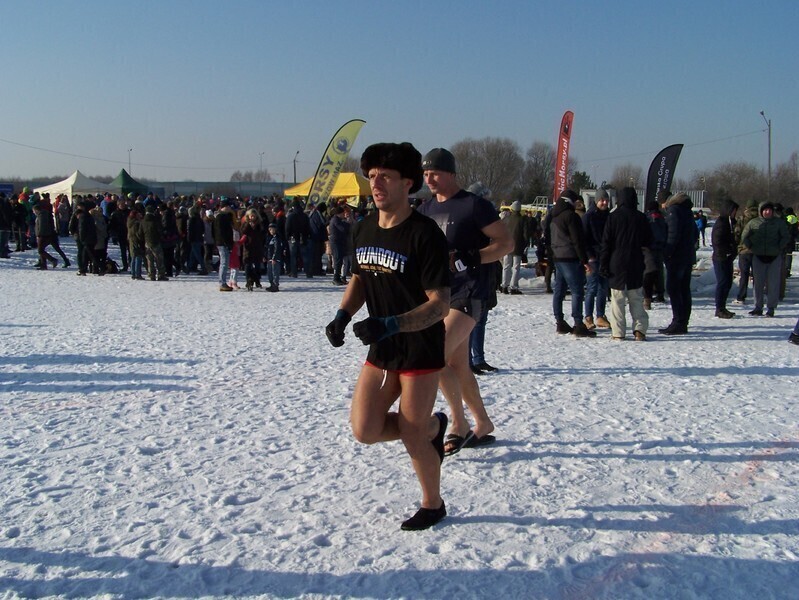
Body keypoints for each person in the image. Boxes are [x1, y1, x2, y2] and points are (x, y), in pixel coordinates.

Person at [325, 142, 451, 531]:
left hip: (419, 348)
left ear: (407, 184)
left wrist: (392, 323)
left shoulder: (424, 234)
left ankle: (433, 503)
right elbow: (361, 277)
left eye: (385, 176)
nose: (375, 183)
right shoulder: (362, 228)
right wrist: (343, 313)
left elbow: (439, 304)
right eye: (371, 175)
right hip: (382, 347)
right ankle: (434, 427)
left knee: (411, 433)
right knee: (365, 429)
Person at [418, 147, 513, 455]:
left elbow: (506, 243)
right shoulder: (425, 209)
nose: (429, 178)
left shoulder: (474, 206)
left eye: (435, 173)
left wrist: (475, 258)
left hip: (470, 293)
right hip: (438, 294)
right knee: (458, 365)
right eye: (425, 173)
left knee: (435, 356)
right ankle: (482, 423)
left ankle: (458, 423)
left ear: (452, 174)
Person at [599, 187, 652, 340]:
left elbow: (606, 244)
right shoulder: (641, 218)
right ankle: (640, 330)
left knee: (617, 299)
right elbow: (648, 241)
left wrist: (603, 264)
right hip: (635, 261)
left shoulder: (612, 217)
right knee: (636, 297)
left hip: (616, 263)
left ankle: (618, 332)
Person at [549, 189, 595, 337]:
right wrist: (584, 260)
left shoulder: (553, 216)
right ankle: (578, 323)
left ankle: (560, 321)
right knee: (577, 291)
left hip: (557, 257)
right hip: (570, 257)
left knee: (559, 290)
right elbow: (577, 240)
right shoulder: (571, 217)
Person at [740, 201, 790, 317]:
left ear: (772, 211)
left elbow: (785, 236)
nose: (767, 212)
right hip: (758, 256)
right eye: (765, 210)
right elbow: (744, 236)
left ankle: (771, 307)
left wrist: (779, 247)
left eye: (769, 210)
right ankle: (758, 307)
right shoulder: (753, 223)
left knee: (773, 284)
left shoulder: (779, 223)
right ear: (761, 211)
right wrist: (751, 246)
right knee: (758, 283)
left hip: (774, 257)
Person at [659, 192, 698, 335]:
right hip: (687, 256)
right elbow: (695, 233)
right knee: (684, 289)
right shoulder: (687, 211)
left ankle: (678, 322)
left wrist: (667, 252)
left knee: (673, 289)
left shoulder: (674, 211)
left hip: (676, 257)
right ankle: (683, 321)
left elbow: (672, 235)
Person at [582, 189, 611, 330]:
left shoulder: (609, 216)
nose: (604, 202)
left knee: (603, 288)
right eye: (602, 200)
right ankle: (588, 317)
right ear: (596, 201)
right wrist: (588, 256)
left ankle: (600, 315)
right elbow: (584, 238)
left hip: (605, 257)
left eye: (606, 200)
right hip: (593, 256)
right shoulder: (589, 216)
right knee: (592, 287)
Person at [711, 198, 740, 318]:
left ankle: (723, 307)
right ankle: (719, 308)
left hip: (728, 258)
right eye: (733, 211)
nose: (735, 213)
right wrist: (726, 251)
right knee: (722, 283)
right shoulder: (722, 223)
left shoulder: (730, 222)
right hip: (721, 257)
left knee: (727, 283)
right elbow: (717, 241)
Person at [642, 198, 667, 309]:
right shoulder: (662, 219)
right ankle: (660, 293)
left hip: (649, 248)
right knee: (659, 272)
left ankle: (647, 295)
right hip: (660, 248)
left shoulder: (648, 219)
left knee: (648, 272)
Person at [733, 199, 759, 304]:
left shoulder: (742, 218)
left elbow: (737, 233)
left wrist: (737, 246)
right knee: (757, 275)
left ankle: (741, 297)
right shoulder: (760, 218)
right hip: (757, 251)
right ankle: (758, 296)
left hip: (744, 251)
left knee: (744, 275)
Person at [500, 200, 526, 295]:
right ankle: (513, 286)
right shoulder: (522, 219)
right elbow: (525, 234)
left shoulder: (507, 219)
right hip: (518, 245)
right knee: (516, 267)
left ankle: (504, 285)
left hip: (507, 245)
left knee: (506, 266)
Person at [213, 200, 235, 291]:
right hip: (223, 243)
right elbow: (221, 232)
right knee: (224, 263)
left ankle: (222, 282)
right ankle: (222, 283)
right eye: (228, 206)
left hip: (222, 242)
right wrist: (226, 242)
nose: (230, 208)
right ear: (224, 207)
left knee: (224, 263)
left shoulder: (222, 216)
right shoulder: (220, 217)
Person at [265, 221, 283, 292]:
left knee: (275, 272)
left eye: (272, 229)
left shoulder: (277, 238)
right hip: (269, 258)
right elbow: (267, 248)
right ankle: (272, 284)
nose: (270, 231)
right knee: (270, 273)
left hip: (275, 259)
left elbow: (277, 249)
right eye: (269, 229)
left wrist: (274, 258)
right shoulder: (269, 238)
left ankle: (275, 285)